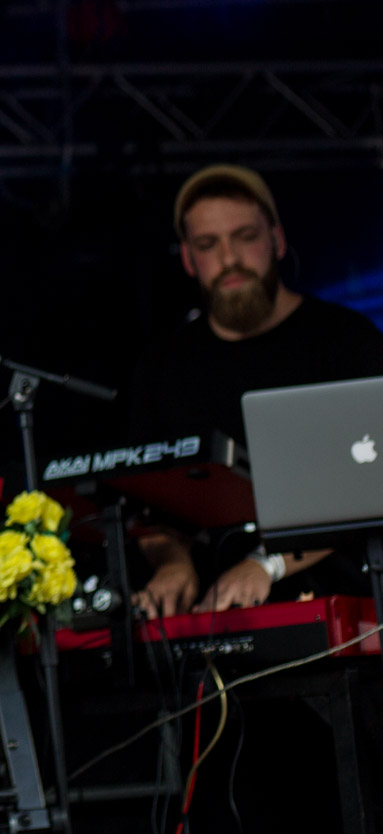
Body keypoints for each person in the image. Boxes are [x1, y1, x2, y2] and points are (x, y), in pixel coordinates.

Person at [126, 165, 383, 618]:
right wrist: (172, 563)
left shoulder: (346, 340)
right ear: (188, 259)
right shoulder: (162, 367)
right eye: (208, 245)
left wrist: (269, 563)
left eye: (245, 236)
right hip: (209, 625)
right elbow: (147, 505)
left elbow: (371, 482)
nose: (229, 258)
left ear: (277, 241)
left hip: (341, 608)